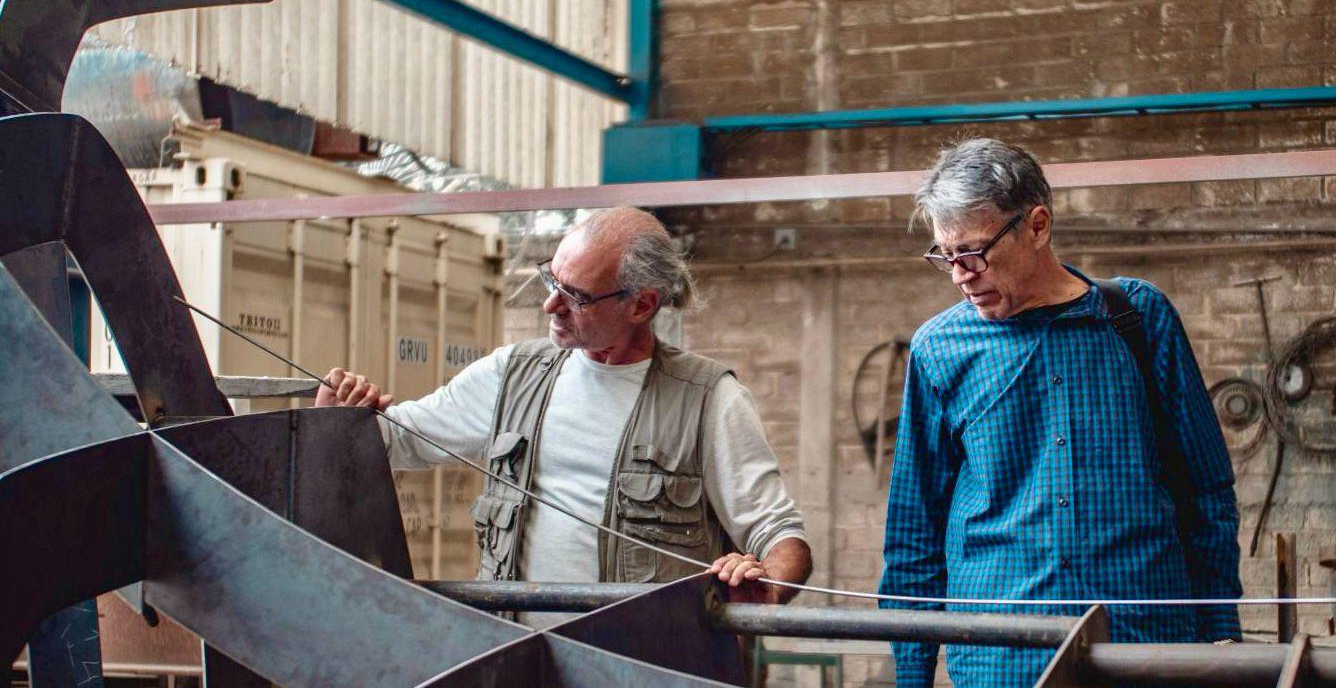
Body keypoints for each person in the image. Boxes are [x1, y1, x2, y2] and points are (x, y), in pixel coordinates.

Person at [318, 206, 811, 624]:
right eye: (552, 278)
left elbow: (781, 536)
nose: (550, 304)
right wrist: (338, 419)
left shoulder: (709, 398)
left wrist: (765, 593)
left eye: (576, 296)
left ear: (641, 305)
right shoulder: (510, 375)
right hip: (517, 656)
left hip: (638, 664)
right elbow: (399, 443)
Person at [879, 138, 1242, 686]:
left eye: (973, 251)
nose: (960, 274)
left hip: (1145, 644)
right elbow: (915, 527)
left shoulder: (1137, 320)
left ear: (1038, 226)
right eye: (945, 256)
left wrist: (1221, 636)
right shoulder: (938, 349)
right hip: (1002, 657)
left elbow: (1206, 490)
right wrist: (912, 674)